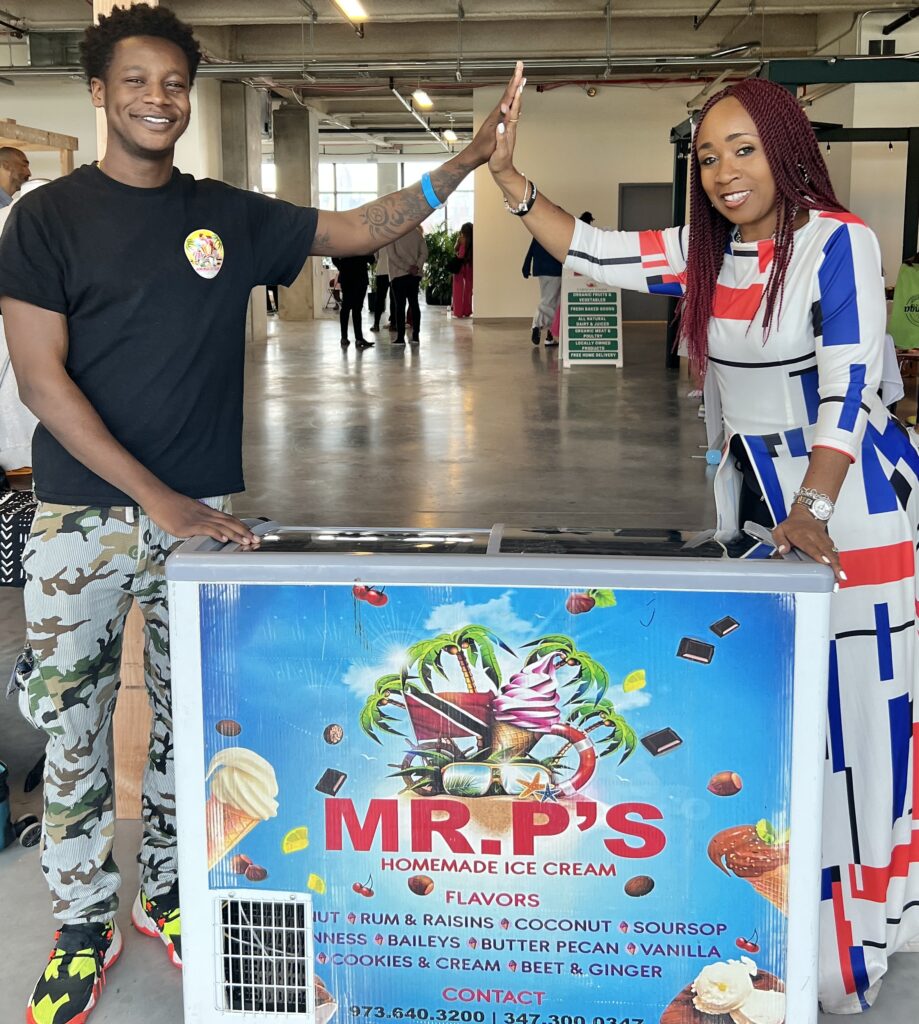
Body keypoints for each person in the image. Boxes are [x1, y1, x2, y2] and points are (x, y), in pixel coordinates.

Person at [0, 5, 523, 1021]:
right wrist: (164, 503)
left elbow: (360, 228)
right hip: (80, 520)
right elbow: (40, 381)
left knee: (188, 725)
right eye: (138, 81)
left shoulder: (224, 213)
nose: (159, 98)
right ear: (101, 93)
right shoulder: (48, 218)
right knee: (73, 726)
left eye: (174, 83)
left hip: (203, 515)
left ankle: (163, 891)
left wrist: (460, 163)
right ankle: (77, 921)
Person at [489, 72, 919, 1014]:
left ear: (786, 148)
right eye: (709, 154)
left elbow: (849, 390)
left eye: (744, 148)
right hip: (765, 514)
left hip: (847, 508)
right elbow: (592, 252)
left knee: (855, 731)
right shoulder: (706, 255)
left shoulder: (838, 245)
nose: (725, 171)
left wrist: (808, 506)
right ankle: (778, 922)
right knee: (784, 724)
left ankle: (849, 945)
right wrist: (507, 173)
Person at [388, 225, 428, 345]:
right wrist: (417, 267)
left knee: (400, 306)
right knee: (414, 304)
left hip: (398, 274)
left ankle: (400, 337)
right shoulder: (417, 233)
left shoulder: (392, 233)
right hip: (414, 276)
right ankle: (415, 336)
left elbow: (392, 255)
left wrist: (407, 268)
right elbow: (424, 252)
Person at [521, 235, 561, 346]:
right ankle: (536, 325)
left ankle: (550, 336)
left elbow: (532, 248)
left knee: (554, 301)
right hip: (554, 269)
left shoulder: (539, 229)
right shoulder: (558, 231)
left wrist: (526, 266)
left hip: (541, 269)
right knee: (550, 301)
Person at [332, 252, 375, 348]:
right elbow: (371, 260)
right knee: (356, 309)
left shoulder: (343, 242)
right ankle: (358, 339)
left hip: (348, 277)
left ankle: (345, 338)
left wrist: (343, 267)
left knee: (346, 308)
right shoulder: (362, 242)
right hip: (360, 277)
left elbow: (334, 256)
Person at [451, 221, 474, 318]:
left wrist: (458, 240)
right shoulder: (474, 240)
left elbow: (455, 249)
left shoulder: (461, 239)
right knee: (468, 288)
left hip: (460, 264)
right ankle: (467, 311)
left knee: (458, 288)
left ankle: (458, 312)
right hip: (470, 264)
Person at [370, 244, 390, 332]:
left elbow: (374, 258)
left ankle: (376, 324)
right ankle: (394, 324)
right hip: (395, 271)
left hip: (382, 272)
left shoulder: (381, 240)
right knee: (396, 299)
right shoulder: (398, 238)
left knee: (380, 299)